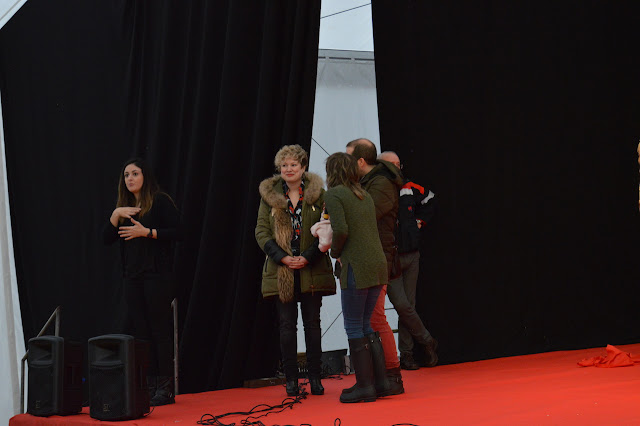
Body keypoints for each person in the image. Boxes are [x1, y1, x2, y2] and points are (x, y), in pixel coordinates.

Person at [255, 145, 336, 397]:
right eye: (284, 165)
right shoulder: (268, 197)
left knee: (313, 325)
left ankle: (315, 378)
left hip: (311, 267)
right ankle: (291, 380)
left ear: (303, 167)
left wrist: (308, 257)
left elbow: (327, 227)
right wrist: (282, 258)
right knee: (287, 327)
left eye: (293, 164)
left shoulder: (319, 194)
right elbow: (261, 232)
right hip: (282, 272)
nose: (288, 169)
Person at [102, 157, 179, 406]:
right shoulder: (123, 209)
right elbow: (106, 239)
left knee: (159, 330)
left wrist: (147, 232)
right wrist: (115, 214)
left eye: (135, 173)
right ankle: (149, 384)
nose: (130, 179)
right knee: (141, 333)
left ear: (145, 176)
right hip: (132, 278)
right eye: (126, 175)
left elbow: (180, 231)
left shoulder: (159, 201)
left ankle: (165, 387)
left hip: (157, 276)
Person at [324, 152, 389, 403]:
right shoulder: (364, 194)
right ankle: (380, 383)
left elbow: (340, 230)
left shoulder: (335, 194)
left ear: (332, 171)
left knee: (354, 326)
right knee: (366, 325)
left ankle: (364, 387)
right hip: (377, 264)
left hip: (356, 266)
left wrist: (335, 252)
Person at [346, 138, 405, 394]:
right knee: (370, 317)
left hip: (377, 257)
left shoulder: (381, 184)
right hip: (367, 257)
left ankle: (391, 375)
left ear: (360, 161)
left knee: (375, 317)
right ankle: (378, 376)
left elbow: (364, 216)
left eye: (349, 158)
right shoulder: (369, 183)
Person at [379, 151, 438, 370]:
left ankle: (407, 355)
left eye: (398, 164)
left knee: (408, 306)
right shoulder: (377, 191)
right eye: (390, 164)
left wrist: (419, 222)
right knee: (402, 305)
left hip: (412, 255)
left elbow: (430, 199)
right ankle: (427, 340)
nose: (395, 167)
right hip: (390, 258)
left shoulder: (410, 187)